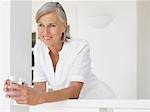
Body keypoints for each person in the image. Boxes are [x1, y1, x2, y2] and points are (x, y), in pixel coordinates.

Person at [4, 1, 115, 105]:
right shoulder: (39, 49)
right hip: (71, 105)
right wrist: (21, 91)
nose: (45, 32)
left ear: (64, 26)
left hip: (98, 101)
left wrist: (38, 98)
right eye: (41, 25)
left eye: (52, 25)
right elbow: (39, 89)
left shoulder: (80, 47)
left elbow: (74, 92)